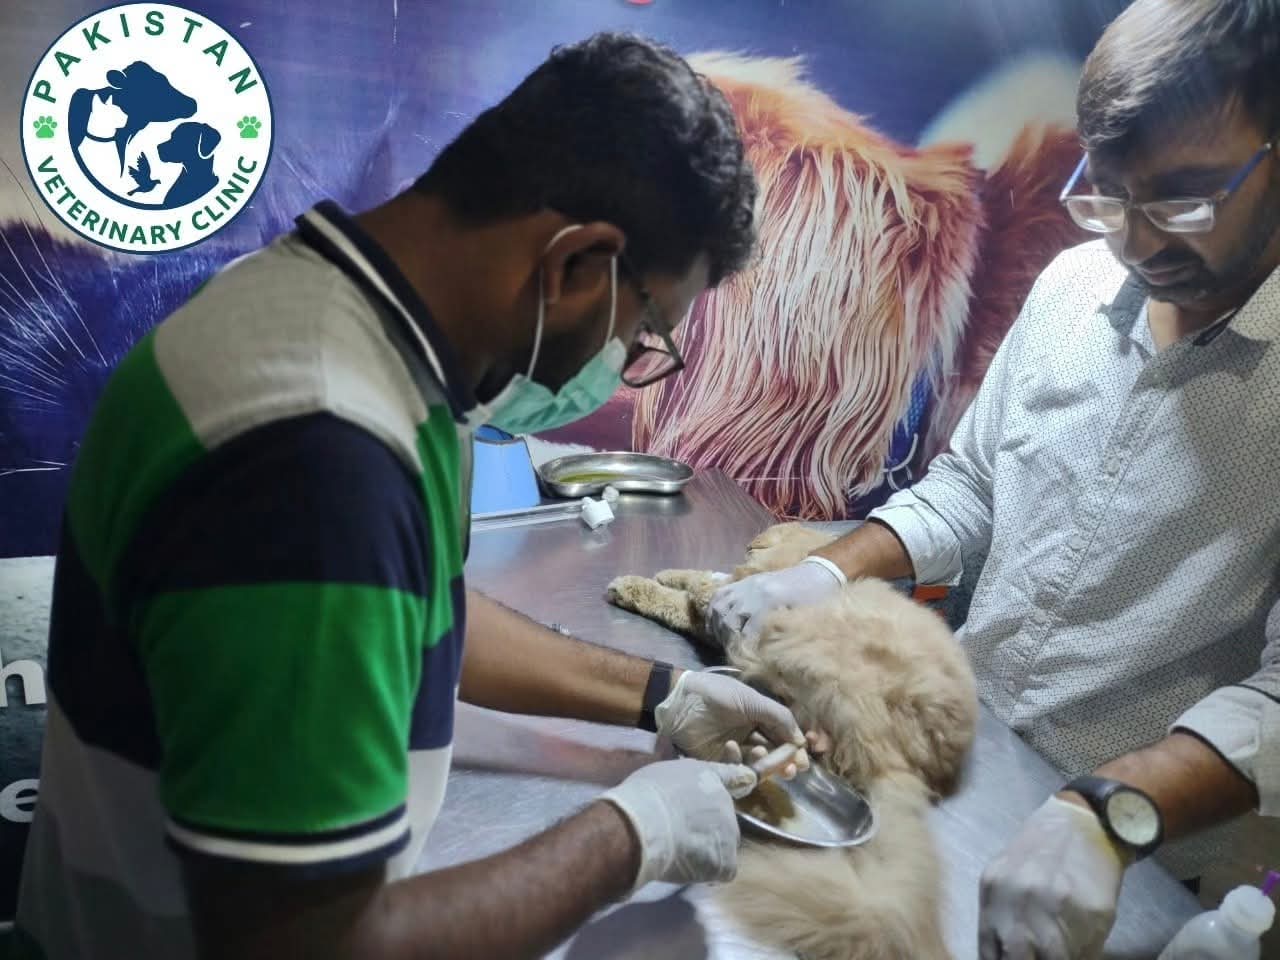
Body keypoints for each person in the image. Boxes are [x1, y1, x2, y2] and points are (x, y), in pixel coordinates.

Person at [13, 33, 808, 960]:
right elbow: (313, 944)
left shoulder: (332, 318)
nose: (630, 367)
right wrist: (633, 837)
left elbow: (407, 607)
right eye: (648, 329)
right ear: (577, 264)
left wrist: (662, 694)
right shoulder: (314, 452)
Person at [710, 1, 1280, 957]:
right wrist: (826, 574)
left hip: (1137, 849)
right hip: (970, 763)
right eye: (1109, 199)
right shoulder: (1071, 288)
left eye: (1183, 203)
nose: (1138, 246)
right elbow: (971, 487)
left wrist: (1110, 813)